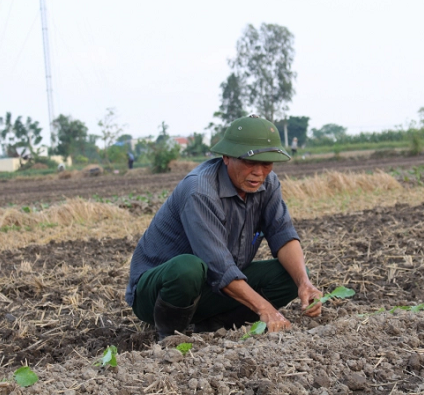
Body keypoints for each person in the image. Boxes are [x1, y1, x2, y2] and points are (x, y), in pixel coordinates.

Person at [125, 115, 322, 340]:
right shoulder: (200, 189)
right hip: (159, 293)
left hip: (212, 288)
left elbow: (282, 234)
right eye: (250, 162)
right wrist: (265, 308)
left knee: (292, 274)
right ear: (227, 157)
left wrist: (304, 284)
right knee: (188, 268)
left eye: (266, 163)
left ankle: (214, 325)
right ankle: (170, 336)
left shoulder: (267, 183)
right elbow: (218, 267)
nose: (258, 172)